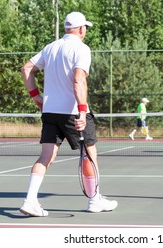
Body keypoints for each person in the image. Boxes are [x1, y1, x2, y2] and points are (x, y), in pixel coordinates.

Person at [19, 11, 117, 217]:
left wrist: (36, 97)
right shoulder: (82, 49)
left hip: (50, 112)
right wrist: (82, 112)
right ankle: (94, 200)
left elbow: (26, 69)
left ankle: (30, 200)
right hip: (73, 113)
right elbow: (78, 80)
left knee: (46, 156)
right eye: (85, 29)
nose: (86, 32)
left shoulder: (50, 48)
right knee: (89, 155)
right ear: (81, 29)